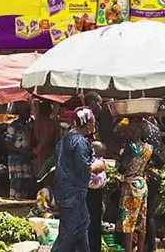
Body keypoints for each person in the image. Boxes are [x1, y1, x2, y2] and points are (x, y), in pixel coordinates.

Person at [51, 107, 96, 252]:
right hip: (73, 192)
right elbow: (84, 168)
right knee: (70, 232)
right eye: (93, 122)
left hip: (64, 190)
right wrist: (97, 166)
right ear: (88, 124)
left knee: (82, 224)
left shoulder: (64, 139)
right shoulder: (80, 142)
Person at [117, 119, 152, 252]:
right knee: (141, 220)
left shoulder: (131, 147)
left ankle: (129, 249)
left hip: (130, 186)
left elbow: (123, 167)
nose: (125, 134)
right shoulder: (148, 148)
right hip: (142, 184)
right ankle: (141, 249)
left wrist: (119, 171)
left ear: (135, 133)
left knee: (129, 219)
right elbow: (158, 160)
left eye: (127, 132)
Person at [140, 117, 165, 252]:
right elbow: (160, 159)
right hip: (155, 175)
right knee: (149, 215)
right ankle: (150, 247)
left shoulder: (139, 141)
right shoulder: (154, 127)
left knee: (143, 215)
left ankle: (145, 247)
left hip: (145, 177)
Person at [5, 101, 35, 200]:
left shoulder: (27, 126)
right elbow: (7, 145)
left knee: (25, 189)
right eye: (27, 111)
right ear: (21, 112)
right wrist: (24, 153)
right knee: (16, 189)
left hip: (26, 163)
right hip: (16, 163)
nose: (29, 113)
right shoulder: (13, 126)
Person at [87, 141, 108, 252]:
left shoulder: (95, 162)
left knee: (92, 223)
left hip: (91, 194)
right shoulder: (98, 161)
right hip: (96, 194)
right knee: (94, 223)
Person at [34, 100, 60, 174]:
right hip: (48, 154)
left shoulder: (35, 123)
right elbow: (57, 141)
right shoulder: (53, 124)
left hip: (37, 153)